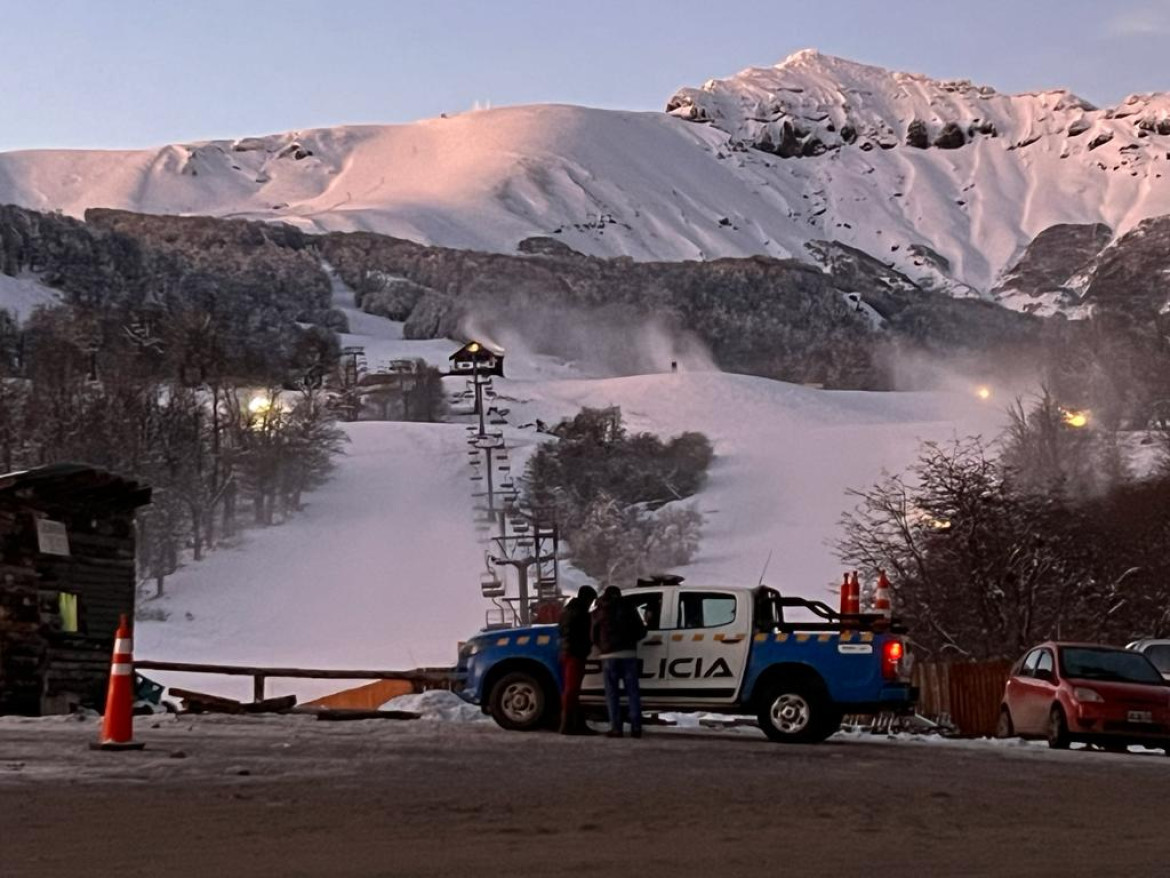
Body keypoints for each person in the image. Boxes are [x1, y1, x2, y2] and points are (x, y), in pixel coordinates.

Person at [591, 585, 647, 738]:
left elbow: (593, 635)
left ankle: (616, 728)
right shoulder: (629, 609)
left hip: (608, 657)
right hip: (628, 655)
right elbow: (641, 631)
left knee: (612, 694)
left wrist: (602, 647)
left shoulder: (599, 612)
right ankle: (636, 728)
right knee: (632, 692)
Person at [557, 585, 597, 735]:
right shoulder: (581, 614)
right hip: (576, 654)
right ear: (586, 598)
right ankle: (567, 725)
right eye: (591, 600)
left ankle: (574, 724)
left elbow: (561, 631)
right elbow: (585, 634)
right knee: (572, 690)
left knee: (570, 689)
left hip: (566, 652)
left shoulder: (566, 611)